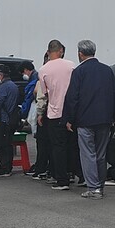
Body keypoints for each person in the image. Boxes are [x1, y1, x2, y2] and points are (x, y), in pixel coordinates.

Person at [63, 40, 115, 200]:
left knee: (88, 153)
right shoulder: (107, 70)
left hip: (85, 119)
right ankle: (99, 185)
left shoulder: (79, 72)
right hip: (105, 118)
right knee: (101, 154)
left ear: (80, 53)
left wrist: (69, 119)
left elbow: (72, 97)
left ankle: (93, 188)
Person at [38, 40, 76, 191]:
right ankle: (74, 173)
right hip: (71, 112)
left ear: (48, 52)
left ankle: (61, 179)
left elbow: (44, 93)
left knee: (57, 147)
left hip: (54, 112)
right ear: (61, 50)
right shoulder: (71, 65)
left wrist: (40, 113)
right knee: (72, 145)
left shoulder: (43, 70)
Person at [0, 64, 19, 177]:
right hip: (12, 118)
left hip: (3, 119)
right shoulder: (14, 86)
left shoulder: (4, 87)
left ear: (0, 75)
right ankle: (8, 167)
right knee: (8, 144)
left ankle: (4, 168)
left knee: (1, 145)